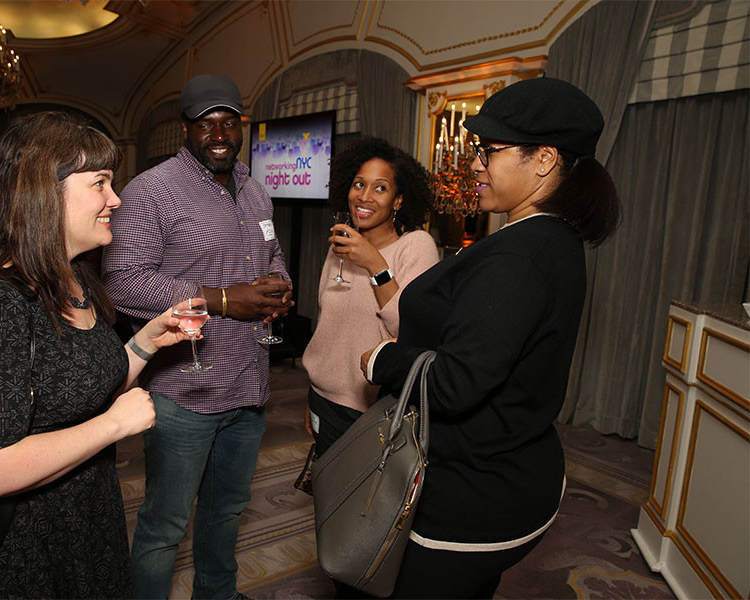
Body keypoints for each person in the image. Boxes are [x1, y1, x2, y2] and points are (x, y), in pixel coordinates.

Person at [361, 77, 621, 599]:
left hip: (472, 495)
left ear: (543, 160)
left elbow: (457, 383)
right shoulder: (548, 238)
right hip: (509, 469)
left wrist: (381, 360)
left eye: (490, 150)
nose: (476, 164)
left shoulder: (520, 255)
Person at [0, 111, 193, 599]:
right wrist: (114, 426)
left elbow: (83, 393)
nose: (115, 199)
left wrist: (143, 345)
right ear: (44, 193)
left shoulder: (79, 281)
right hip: (24, 541)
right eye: (100, 183)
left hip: (89, 514)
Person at [102, 73, 293, 600]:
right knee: (165, 526)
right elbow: (123, 284)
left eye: (228, 122)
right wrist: (224, 298)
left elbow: (271, 256)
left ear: (241, 126)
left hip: (249, 386)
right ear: (185, 128)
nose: (218, 133)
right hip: (184, 392)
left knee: (227, 512)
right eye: (205, 123)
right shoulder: (151, 191)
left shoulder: (255, 189)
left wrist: (282, 289)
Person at [302, 136, 438, 457]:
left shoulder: (416, 246)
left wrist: (375, 264)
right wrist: (313, 395)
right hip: (324, 399)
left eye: (380, 188)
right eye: (358, 184)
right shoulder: (340, 247)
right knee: (328, 497)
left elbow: (411, 332)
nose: (364, 196)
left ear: (398, 200)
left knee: (366, 504)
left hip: (377, 409)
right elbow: (328, 329)